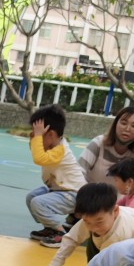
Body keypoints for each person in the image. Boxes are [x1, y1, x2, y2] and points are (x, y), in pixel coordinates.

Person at [43, 183, 134, 266]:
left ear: (115, 211)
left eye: (99, 222)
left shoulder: (121, 233)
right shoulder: (94, 218)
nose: (93, 227)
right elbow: (72, 239)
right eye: (87, 221)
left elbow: (106, 263)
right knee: (94, 239)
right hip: (127, 250)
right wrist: (54, 265)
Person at [26, 104, 86, 247]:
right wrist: (37, 136)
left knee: (38, 203)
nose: (34, 138)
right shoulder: (51, 145)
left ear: (51, 135)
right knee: (31, 197)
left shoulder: (60, 149)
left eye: (38, 135)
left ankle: (61, 233)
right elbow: (35, 150)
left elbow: (39, 158)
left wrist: (37, 136)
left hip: (74, 194)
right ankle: (50, 228)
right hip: (60, 190)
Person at [78, 106, 134, 185]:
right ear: (115, 123)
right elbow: (78, 171)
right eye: (123, 123)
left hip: (124, 194)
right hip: (90, 191)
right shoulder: (98, 144)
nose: (127, 129)